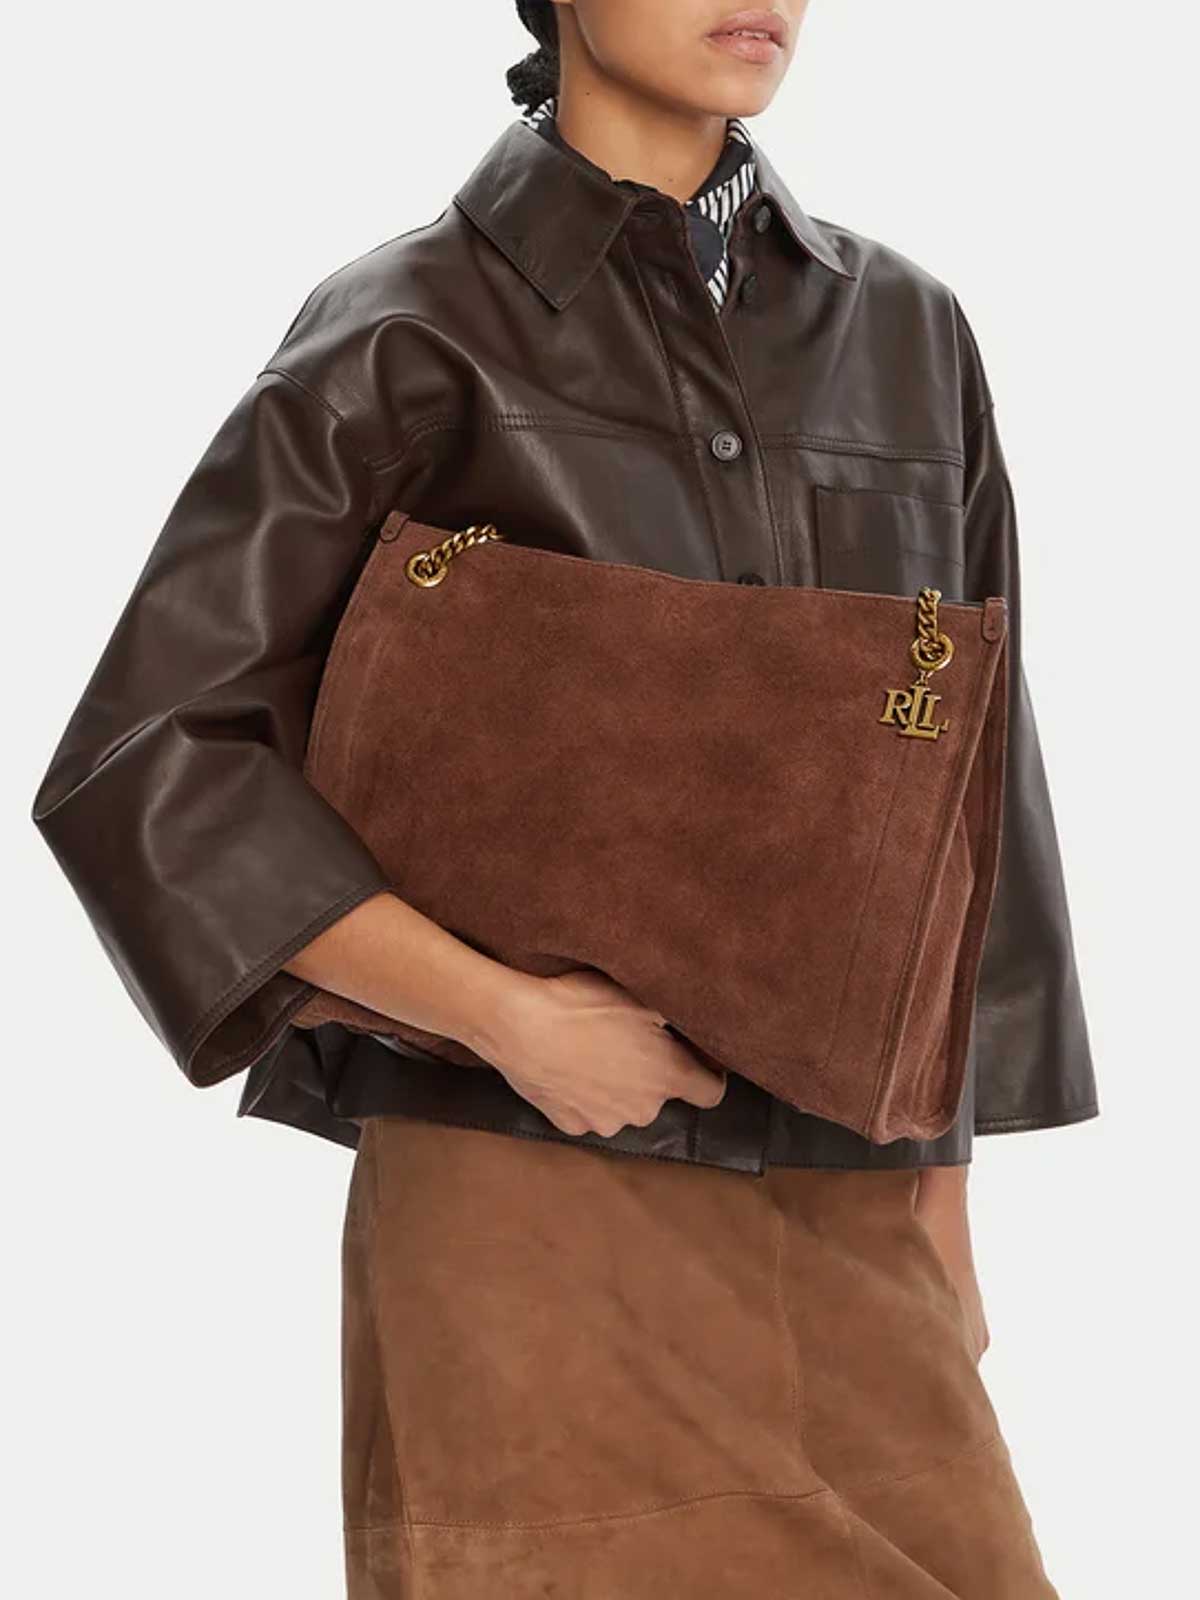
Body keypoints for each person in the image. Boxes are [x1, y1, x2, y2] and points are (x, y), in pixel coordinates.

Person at [30, 2, 1099, 1594]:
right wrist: (505, 1019)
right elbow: (149, 757)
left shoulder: (909, 335)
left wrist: (944, 1176)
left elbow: (971, 768)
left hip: (851, 1200)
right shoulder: (405, 328)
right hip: (524, 1198)